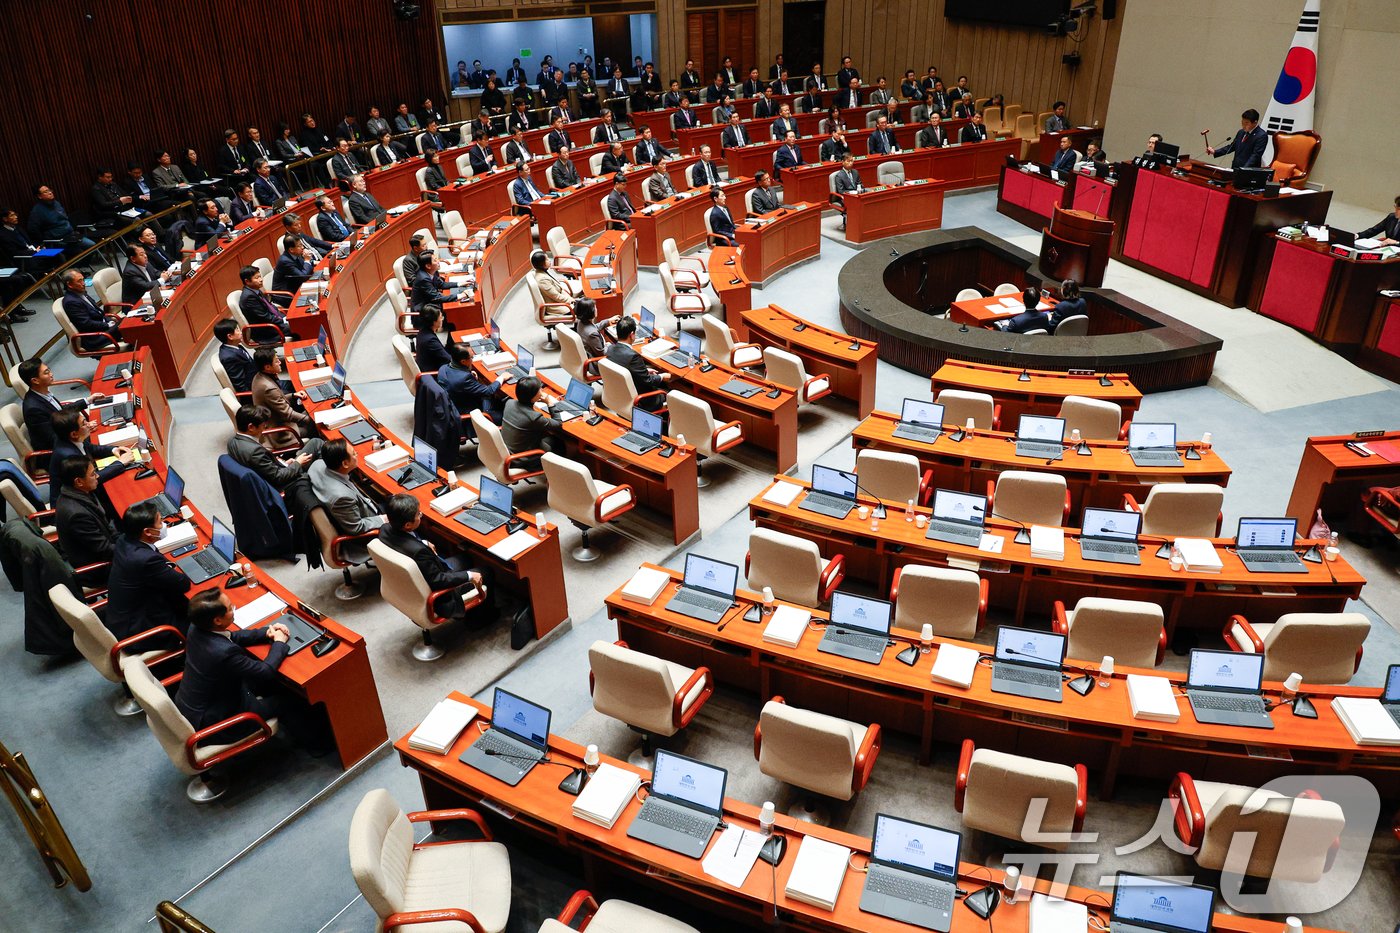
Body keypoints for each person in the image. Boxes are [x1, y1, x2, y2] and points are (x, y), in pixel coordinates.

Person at [173, 588, 291, 737]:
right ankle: (317, 747)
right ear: (217, 620)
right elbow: (264, 672)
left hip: (197, 705)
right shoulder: (223, 652)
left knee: (267, 683)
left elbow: (230, 636)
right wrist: (279, 643)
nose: (234, 609)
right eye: (230, 608)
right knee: (289, 700)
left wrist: (266, 632)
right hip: (218, 722)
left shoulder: (196, 627)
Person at [376, 494, 493, 625]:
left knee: (465, 558)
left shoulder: (385, 529)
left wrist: (423, 543)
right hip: (441, 596)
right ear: (408, 525)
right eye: (418, 515)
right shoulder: (419, 552)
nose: (421, 515)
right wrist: (470, 576)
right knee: (486, 571)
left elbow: (402, 543)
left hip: (414, 581)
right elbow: (439, 581)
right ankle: (482, 621)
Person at [105, 500, 191, 641]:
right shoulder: (145, 559)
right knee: (204, 620)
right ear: (148, 532)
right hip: (142, 631)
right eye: (159, 522)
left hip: (124, 619)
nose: (164, 525)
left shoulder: (123, 541)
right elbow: (183, 584)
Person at [307, 440, 385, 556]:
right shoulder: (342, 497)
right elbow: (356, 528)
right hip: (364, 536)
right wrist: (383, 519)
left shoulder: (317, 465)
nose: (356, 454)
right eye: (354, 454)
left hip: (356, 506)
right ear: (345, 464)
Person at [47, 407, 131, 503]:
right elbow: (91, 480)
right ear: (74, 434)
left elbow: (92, 448)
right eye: (84, 423)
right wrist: (120, 463)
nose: (89, 424)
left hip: (87, 490)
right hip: (77, 502)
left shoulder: (70, 438)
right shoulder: (68, 456)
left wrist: (114, 449)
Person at [54, 456, 117, 579]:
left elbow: (107, 527)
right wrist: (137, 548)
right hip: (97, 569)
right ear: (79, 482)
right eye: (93, 474)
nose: (97, 476)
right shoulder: (77, 515)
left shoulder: (76, 492)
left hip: (102, 548)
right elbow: (104, 550)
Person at [228, 404, 316, 485]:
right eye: (263, 426)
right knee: (318, 445)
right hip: (285, 483)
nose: (264, 428)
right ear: (251, 427)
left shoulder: (232, 442)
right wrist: (298, 463)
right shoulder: (255, 452)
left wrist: (282, 463)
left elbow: (264, 467)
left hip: (278, 468)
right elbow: (279, 478)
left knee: (315, 442)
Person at [18, 358, 88, 453]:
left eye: (49, 370)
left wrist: (87, 401)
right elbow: (53, 439)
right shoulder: (33, 409)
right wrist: (81, 430)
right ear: (35, 380)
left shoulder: (43, 393)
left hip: (70, 439)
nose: (51, 374)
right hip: (60, 453)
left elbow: (61, 412)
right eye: (46, 373)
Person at [251, 347, 314, 438]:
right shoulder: (268, 388)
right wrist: (313, 420)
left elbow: (277, 400)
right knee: (315, 427)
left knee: (310, 411)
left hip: (276, 418)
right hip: (281, 431)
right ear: (267, 367)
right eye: (276, 361)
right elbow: (288, 414)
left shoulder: (259, 376)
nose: (280, 363)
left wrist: (293, 395)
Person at [501, 376, 564, 463]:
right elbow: (558, 424)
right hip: (520, 459)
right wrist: (550, 403)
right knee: (560, 443)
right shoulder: (534, 417)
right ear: (532, 397)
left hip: (507, 451)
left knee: (549, 437)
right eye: (540, 390)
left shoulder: (510, 403)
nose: (542, 391)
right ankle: (553, 473)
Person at [437, 341, 504, 420]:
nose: (473, 360)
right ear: (463, 361)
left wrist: (468, 372)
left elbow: (457, 377)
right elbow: (488, 391)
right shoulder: (464, 378)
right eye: (471, 357)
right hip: (470, 411)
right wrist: (502, 377)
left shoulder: (443, 368)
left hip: (455, 402)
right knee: (504, 411)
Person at [61, 268, 124, 352]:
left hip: (102, 328)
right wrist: (108, 324)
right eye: (79, 281)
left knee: (128, 323)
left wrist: (110, 322)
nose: (83, 284)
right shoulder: (71, 302)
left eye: (83, 280)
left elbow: (99, 313)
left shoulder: (81, 293)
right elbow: (86, 324)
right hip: (95, 338)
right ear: (69, 284)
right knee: (127, 326)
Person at [27, 185, 96, 254]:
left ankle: (84, 264)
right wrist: (43, 242)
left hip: (71, 235)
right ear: (40, 196)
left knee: (92, 245)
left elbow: (65, 218)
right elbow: (33, 229)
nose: (50, 192)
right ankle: (81, 264)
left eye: (49, 190)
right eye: (46, 192)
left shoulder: (56, 203)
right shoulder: (37, 211)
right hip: (58, 240)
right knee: (79, 252)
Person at [238, 264, 292, 340]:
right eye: (257, 278)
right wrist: (283, 322)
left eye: (260, 276)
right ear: (247, 281)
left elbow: (271, 307)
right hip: (267, 331)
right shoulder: (249, 298)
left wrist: (284, 318)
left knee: (297, 322)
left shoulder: (254, 289)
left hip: (274, 322)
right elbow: (265, 317)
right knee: (298, 328)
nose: (261, 279)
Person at [215, 318, 257, 394]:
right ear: (230, 336)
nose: (241, 332)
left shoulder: (236, 346)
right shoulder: (229, 358)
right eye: (238, 330)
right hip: (256, 391)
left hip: (259, 380)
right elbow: (241, 387)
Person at [272, 235, 314, 301]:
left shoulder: (295, 254)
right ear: (291, 249)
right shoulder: (285, 261)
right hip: (286, 295)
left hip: (296, 285)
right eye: (299, 246)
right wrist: (307, 260)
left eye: (301, 245)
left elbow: (303, 267)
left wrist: (311, 262)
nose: (302, 247)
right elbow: (303, 276)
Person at [571, 298, 606, 377]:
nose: (597, 309)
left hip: (589, 356)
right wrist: (614, 346)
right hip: (597, 364)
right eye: (595, 307)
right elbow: (602, 353)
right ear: (590, 312)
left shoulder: (581, 322)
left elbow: (593, 327)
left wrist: (608, 321)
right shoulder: (592, 334)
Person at [414, 305, 452, 372]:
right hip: (434, 373)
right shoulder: (430, 340)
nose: (442, 319)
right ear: (434, 322)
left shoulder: (423, 332)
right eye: (441, 317)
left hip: (431, 365)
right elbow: (448, 359)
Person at [831, 154, 862, 224]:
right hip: (846, 198)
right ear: (843, 162)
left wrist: (861, 189)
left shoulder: (855, 172)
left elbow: (860, 184)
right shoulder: (839, 176)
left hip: (857, 195)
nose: (851, 163)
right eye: (848, 161)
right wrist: (853, 192)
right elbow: (841, 191)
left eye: (852, 161)